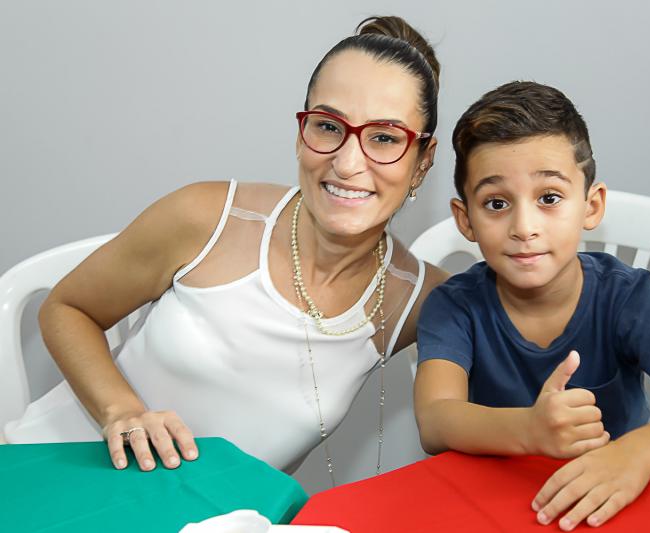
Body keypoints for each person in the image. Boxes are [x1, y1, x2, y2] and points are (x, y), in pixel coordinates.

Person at [4, 16, 447, 482]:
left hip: (205, 515)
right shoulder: (207, 218)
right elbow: (67, 308)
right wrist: (121, 411)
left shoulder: (417, 298)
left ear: (423, 163)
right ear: (301, 135)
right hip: (49, 474)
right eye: (327, 126)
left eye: (385, 138)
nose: (348, 161)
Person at [414, 81, 650, 530]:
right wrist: (529, 430)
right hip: (494, 504)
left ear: (591, 205)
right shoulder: (454, 306)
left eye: (548, 198)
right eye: (496, 203)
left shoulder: (628, 296)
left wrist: (635, 455)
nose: (524, 226)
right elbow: (435, 420)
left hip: (618, 498)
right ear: (465, 219)